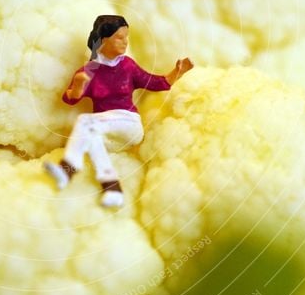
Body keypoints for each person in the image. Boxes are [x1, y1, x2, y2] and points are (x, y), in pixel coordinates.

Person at [44, 15, 194, 207]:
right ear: (103, 40)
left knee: (84, 121)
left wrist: (177, 72)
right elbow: (70, 99)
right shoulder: (89, 70)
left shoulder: (127, 66)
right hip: (109, 134)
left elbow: (156, 83)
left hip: (129, 124)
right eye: (119, 38)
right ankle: (112, 188)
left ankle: (67, 169)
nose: (125, 42)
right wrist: (78, 88)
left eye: (126, 37)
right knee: (92, 138)